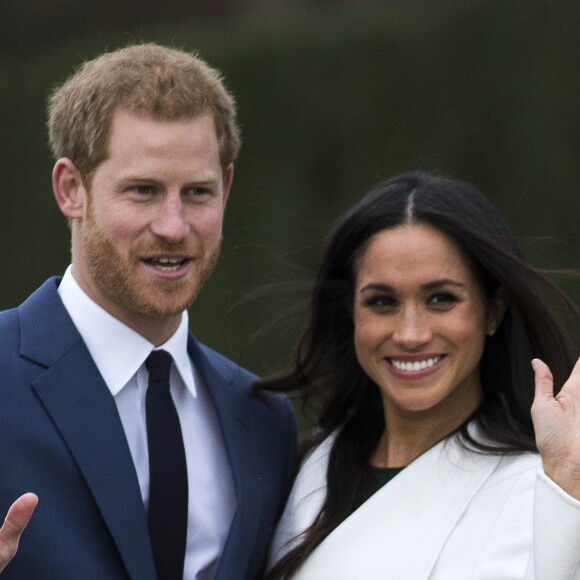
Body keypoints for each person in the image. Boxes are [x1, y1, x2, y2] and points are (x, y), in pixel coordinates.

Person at [0, 43, 296, 579]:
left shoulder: (265, 421)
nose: (174, 226)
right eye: (143, 191)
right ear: (72, 189)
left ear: (226, 189)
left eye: (198, 192)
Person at [260, 171, 580, 579]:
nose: (411, 334)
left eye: (441, 300)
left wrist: (568, 490)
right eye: (382, 302)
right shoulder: (306, 468)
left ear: (493, 311)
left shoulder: (542, 491)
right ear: (351, 314)